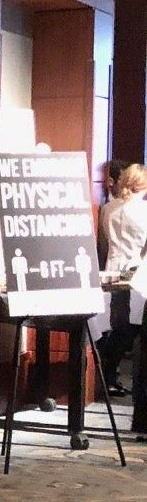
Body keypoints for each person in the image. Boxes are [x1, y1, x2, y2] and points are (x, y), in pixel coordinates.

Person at [98, 162, 147, 394]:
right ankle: (113, 376)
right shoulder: (142, 211)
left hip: (112, 269)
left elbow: (104, 241)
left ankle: (107, 375)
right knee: (133, 331)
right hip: (136, 273)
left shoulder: (108, 208)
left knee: (116, 327)